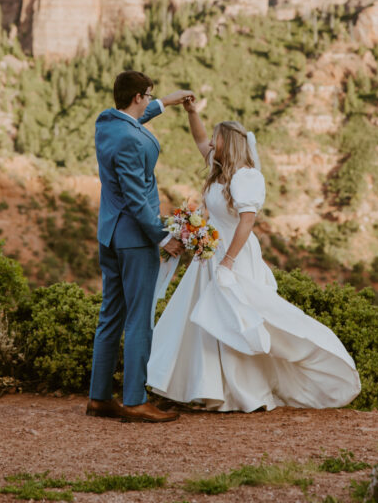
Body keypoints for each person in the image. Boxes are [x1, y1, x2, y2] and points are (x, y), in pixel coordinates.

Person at [147, 102, 361, 412]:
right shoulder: (217, 169)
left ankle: (242, 392)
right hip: (209, 255)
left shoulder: (246, 177)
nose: (210, 144)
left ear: (228, 143)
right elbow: (198, 138)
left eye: (216, 139)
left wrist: (228, 262)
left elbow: (247, 222)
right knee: (205, 321)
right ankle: (210, 390)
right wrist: (191, 111)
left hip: (233, 254)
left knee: (234, 319)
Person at [87, 70, 193, 423]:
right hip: (135, 238)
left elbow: (132, 120)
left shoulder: (106, 124)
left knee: (110, 316)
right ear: (136, 97)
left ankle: (99, 397)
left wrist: (167, 102)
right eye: (148, 96)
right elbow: (135, 197)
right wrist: (164, 237)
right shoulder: (132, 141)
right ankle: (134, 400)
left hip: (110, 235)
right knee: (139, 319)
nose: (148, 101)